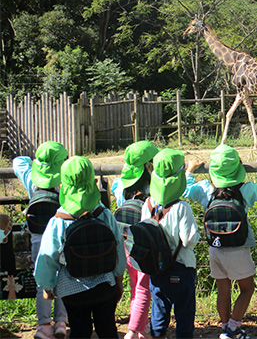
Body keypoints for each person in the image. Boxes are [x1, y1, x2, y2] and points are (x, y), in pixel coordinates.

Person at [184, 144, 257, 339]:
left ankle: (225, 327)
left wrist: (190, 170)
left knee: (223, 291)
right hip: (238, 248)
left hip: (215, 247)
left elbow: (186, 189)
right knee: (247, 288)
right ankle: (233, 329)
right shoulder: (245, 191)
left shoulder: (206, 190)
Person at [34, 156, 126, 339]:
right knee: (107, 329)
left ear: (63, 183)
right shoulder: (104, 214)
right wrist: (118, 279)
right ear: (93, 179)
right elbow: (118, 250)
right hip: (105, 285)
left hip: (72, 289)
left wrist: (47, 285)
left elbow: (47, 256)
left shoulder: (59, 220)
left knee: (79, 331)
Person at [13, 141, 69, 339]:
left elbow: (18, 161)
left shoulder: (31, 178)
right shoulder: (64, 178)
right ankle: (61, 322)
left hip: (38, 237)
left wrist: (35, 161)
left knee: (41, 282)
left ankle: (44, 325)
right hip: (61, 234)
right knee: (63, 278)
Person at [142, 148, 200, 339]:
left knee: (158, 311)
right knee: (184, 313)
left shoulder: (148, 204)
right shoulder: (182, 208)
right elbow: (189, 240)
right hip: (181, 267)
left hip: (156, 270)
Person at [111, 140, 160, 339]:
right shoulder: (153, 192)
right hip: (143, 244)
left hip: (123, 242)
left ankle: (141, 326)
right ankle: (134, 329)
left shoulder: (121, 187)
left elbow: (117, 184)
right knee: (143, 287)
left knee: (135, 286)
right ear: (149, 166)